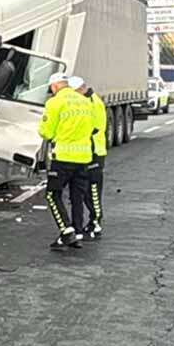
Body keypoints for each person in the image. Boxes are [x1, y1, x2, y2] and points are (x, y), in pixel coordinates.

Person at [39, 73, 94, 250]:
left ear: (54, 86)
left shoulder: (54, 103)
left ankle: (67, 231)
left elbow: (46, 132)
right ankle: (75, 232)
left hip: (63, 157)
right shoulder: (86, 102)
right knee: (76, 196)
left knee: (52, 195)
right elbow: (93, 128)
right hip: (84, 157)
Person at [76, 78, 106, 241]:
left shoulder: (93, 103)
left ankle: (96, 223)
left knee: (93, 191)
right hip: (90, 151)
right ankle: (92, 222)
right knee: (88, 190)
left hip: (95, 152)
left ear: (80, 89)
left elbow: (94, 128)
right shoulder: (90, 100)